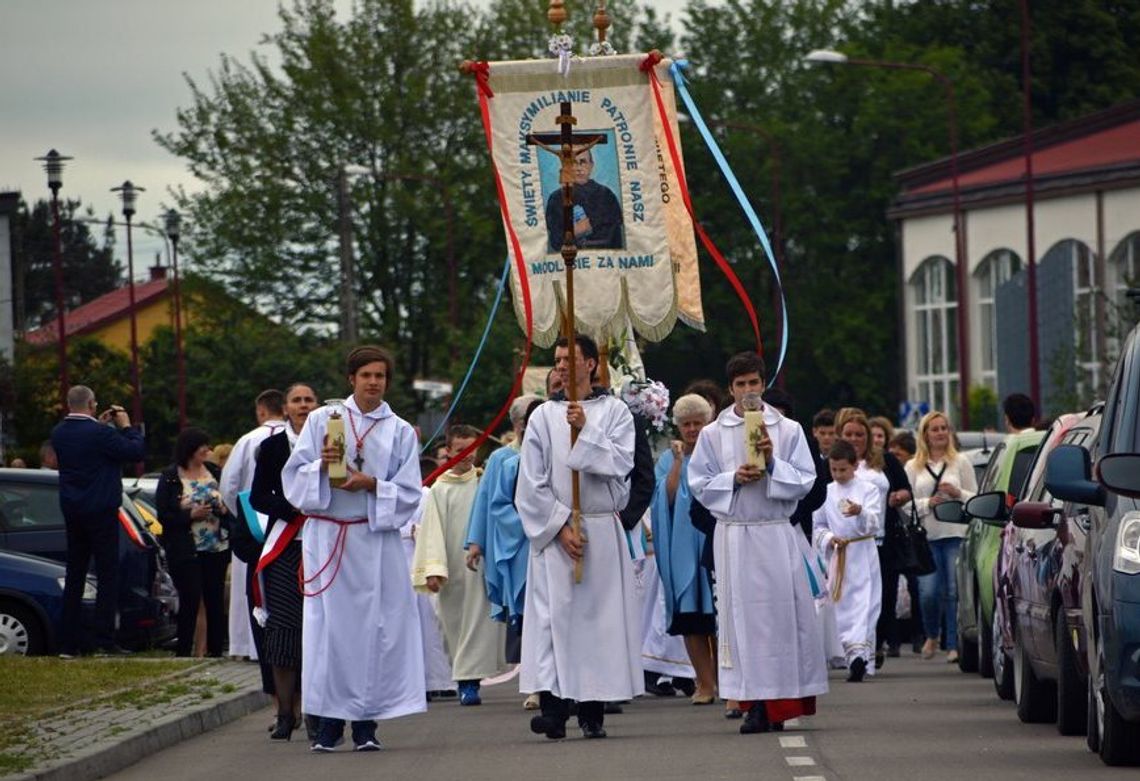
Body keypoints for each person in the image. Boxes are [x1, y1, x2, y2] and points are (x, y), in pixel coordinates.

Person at [282, 345, 425, 753]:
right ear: (352, 379)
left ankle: (366, 723)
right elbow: (294, 478)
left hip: (373, 541)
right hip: (329, 538)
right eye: (366, 375)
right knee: (328, 634)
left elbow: (411, 492)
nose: (374, 382)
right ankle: (328, 724)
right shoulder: (321, 420)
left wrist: (373, 485)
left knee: (372, 634)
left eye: (380, 376)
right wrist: (322, 468)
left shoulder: (398, 429)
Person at [688, 352, 826, 735]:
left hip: (775, 531)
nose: (748, 391)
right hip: (735, 534)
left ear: (763, 384)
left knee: (779, 620)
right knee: (742, 621)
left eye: (753, 383)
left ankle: (779, 702)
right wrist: (733, 478)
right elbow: (698, 483)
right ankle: (752, 702)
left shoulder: (788, 430)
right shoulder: (714, 433)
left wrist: (772, 463)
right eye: (740, 384)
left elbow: (806, 479)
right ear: (730, 389)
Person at [516, 334, 643, 740]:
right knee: (555, 620)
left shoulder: (616, 412)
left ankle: (592, 709)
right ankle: (554, 710)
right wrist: (558, 525)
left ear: (591, 364)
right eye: (557, 360)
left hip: (600, 529)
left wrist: (585, 429)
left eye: (571, 358)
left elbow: (621, 465)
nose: (562, 366)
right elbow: (530, 482)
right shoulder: (541, 417)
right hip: (557, 532)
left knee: (597, 624)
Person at [412, 424, 505, 707]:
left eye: (471, 449)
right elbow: (432, 531)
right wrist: (433, 569)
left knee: (480, 622)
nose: (466, 456)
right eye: (459, 450)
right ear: (448, 451)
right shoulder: (439, 489)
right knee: (454, 623)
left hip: (482, 564)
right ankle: (463, 677)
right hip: (452, 566)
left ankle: (469, 683)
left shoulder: (484, 482)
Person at [51, 386, 146, 657]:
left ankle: (68, 643)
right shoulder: (101, 434)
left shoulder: (59, 433)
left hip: (73, 510)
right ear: (92, 404)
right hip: (101, 510)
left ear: (70, 404)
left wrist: (101, 424)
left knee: (75, 574)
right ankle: (104, 639)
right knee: (107, 574)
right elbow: (135, 451)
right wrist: (127, 426)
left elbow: (87, 448)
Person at [248, 383, 319, 741]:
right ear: (286, 408)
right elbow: (259, 495)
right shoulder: (272, 447)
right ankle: (285, 712)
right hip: (287, 543)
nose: (303, 405)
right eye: (297, 400)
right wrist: (290, 509)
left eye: (309, 400)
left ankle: (318, 709)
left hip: (324, 542)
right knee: (284, 628)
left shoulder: (332, 440)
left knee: (319, 630)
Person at [650, 393, 718, 704]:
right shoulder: (668, 459)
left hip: (711, 542)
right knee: (691, 619)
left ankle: (725, 681)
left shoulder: (717, 454)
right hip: (682, 547)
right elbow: (667, 498)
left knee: (718, 618)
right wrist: (678, 462)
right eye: (686, 424)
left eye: (698, 423)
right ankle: (704, 683)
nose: (692, 430)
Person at [834, 408, 912, 668]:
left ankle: (874, 644)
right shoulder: (833, 464)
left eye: (859, 434)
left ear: (867, 437)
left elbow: (905, 488)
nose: (854, 439)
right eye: (849, 434)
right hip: (847, 541)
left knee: (883, 595)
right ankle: (854, 647)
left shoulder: (885, 460)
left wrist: (899, 496)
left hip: (882, 538)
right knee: (851, 596)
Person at [904, 410, 977, 663]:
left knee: (953, 590)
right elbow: (906, 503)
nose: (940, 433)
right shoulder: (913, 466)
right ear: (925, 434)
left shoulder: (961, 462)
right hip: (927, 535)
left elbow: (975, 497)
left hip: (955, 533)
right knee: (928, 592)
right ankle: (932, 634)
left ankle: (951, 642)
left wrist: (957, 493)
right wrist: (928, 503)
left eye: (944, 428)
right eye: (934, 429)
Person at [221, 389, 287, 665]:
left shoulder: (247, 441)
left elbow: (228, 486)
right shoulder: (299, 438)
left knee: (248, 588)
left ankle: (247, 644)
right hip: (287, 521)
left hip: (254, 521)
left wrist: (243, 516)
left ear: (261, 411)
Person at [156, 428, 234, 658]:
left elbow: (229, 504)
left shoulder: (213, 472)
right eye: (203, 446)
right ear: (189, 449)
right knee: (190, 599)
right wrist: (190, 515)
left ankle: (215, 651)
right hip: (186, 548)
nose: (207, 451)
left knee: (214, 599)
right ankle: (184, 651)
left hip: (216, 546)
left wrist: (221, 509)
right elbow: (164, 515)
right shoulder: (171, 477)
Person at [812, 440, 883, 682]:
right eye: (834, 470)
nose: (839, 474)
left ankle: (860, 657)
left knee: (865, 605)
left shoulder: (868, 488)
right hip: (839, 555)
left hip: (862, 551)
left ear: (855, 465)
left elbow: (875, 520)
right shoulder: (827, 492)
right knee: (841, 606)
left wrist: (860, 512)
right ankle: (848, 655)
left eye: (843, 469)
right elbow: (818, 525)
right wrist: (831, 538)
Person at [402, 457, 456, 701]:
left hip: (418, 559)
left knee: (429, 621)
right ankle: (408, 683)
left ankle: (438, 679)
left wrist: (418, 533)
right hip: (394, 558)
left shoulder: (425, 495)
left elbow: (433, 527)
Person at [544, 148, 624, 251]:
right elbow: (555, 242)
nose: (579, 168)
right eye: (574, 163)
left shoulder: (607, 195)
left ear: (591, 165)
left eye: (583, 162)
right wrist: (574, 233)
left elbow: (616, 239)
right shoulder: (556, 198)